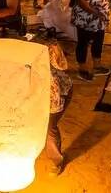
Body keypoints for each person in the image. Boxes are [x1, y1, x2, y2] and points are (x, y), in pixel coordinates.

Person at [69, 0, 110, 80]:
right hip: (86, 17)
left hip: (98, 19)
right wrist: (96, 13)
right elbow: (81, 1)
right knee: (83, 42)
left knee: (98, 41)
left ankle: (97, 65)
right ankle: (82, 68)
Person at [41, 41, 73, 174]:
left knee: (49, 127)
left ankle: (56, 161)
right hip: (42, 93)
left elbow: (54, 105)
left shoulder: (51, 81)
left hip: (59, 94)